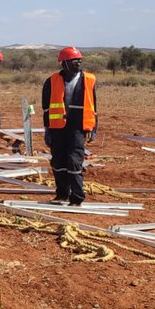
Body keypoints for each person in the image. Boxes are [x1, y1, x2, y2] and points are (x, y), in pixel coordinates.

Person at [42, 46, 98, 207]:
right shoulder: (51, 81)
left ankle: (77, 197)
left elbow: (93, 106)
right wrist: (47, 130)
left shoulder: (88, 80)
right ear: (64, 63)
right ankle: (62, 195)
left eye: (79, 60)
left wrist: (93, 128)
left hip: (77, 128)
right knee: (58, 162)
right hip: (57, 128)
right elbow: (46, 108)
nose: (78, 63)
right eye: (75, 60)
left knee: (74, 162)